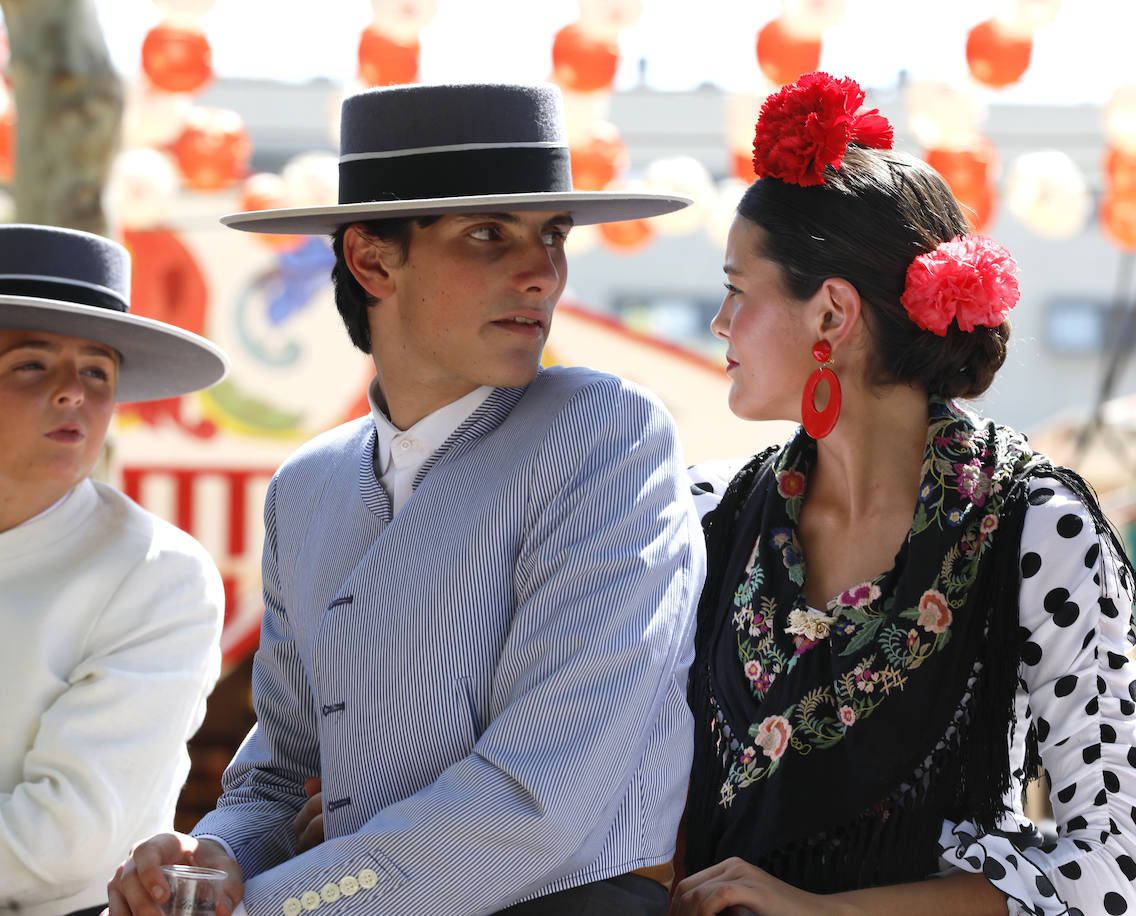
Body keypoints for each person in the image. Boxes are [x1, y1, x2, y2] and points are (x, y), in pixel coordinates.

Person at [107, 82, 705, 916]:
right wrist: (210, 859)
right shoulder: (307, 486)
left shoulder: (606, 427)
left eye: (554, 236)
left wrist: (274, 904)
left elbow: (543, 803)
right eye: (490, 234)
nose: (542, 272)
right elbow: (276, 774)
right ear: (373, 259)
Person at [670, 73, 1136, 916]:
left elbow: (1116, 867)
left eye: (735, 288)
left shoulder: (1035, 528)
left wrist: (822, 912)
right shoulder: (710, 515)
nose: (719, 322)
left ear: (831, 314)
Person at [0, 224, 229, 916]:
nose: (74, 391)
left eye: (98, 371)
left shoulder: (157, 573)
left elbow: (63, 844)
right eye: (32, 364)